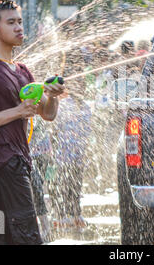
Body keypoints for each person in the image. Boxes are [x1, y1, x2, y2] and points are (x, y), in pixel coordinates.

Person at [0, 0, 65, 245]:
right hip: (1, 162)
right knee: (28, 236)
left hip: (18, 160)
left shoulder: (22, 70)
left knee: (5, 237)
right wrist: (17, 112)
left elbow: (47, 114)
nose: (19, 27)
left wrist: (52, 97)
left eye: (20, 21)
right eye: (11, 23)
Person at [46, 79, 91, 231]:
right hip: (69, 155)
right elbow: (55, 130)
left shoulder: (80, 106)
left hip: (71, 155)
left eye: (82, 86)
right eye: (80, 86)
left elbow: (87, 132)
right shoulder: (72, 106)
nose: (82, 89)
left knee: (70, 186)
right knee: (69, 186)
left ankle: (70, 215)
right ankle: (68, 216)